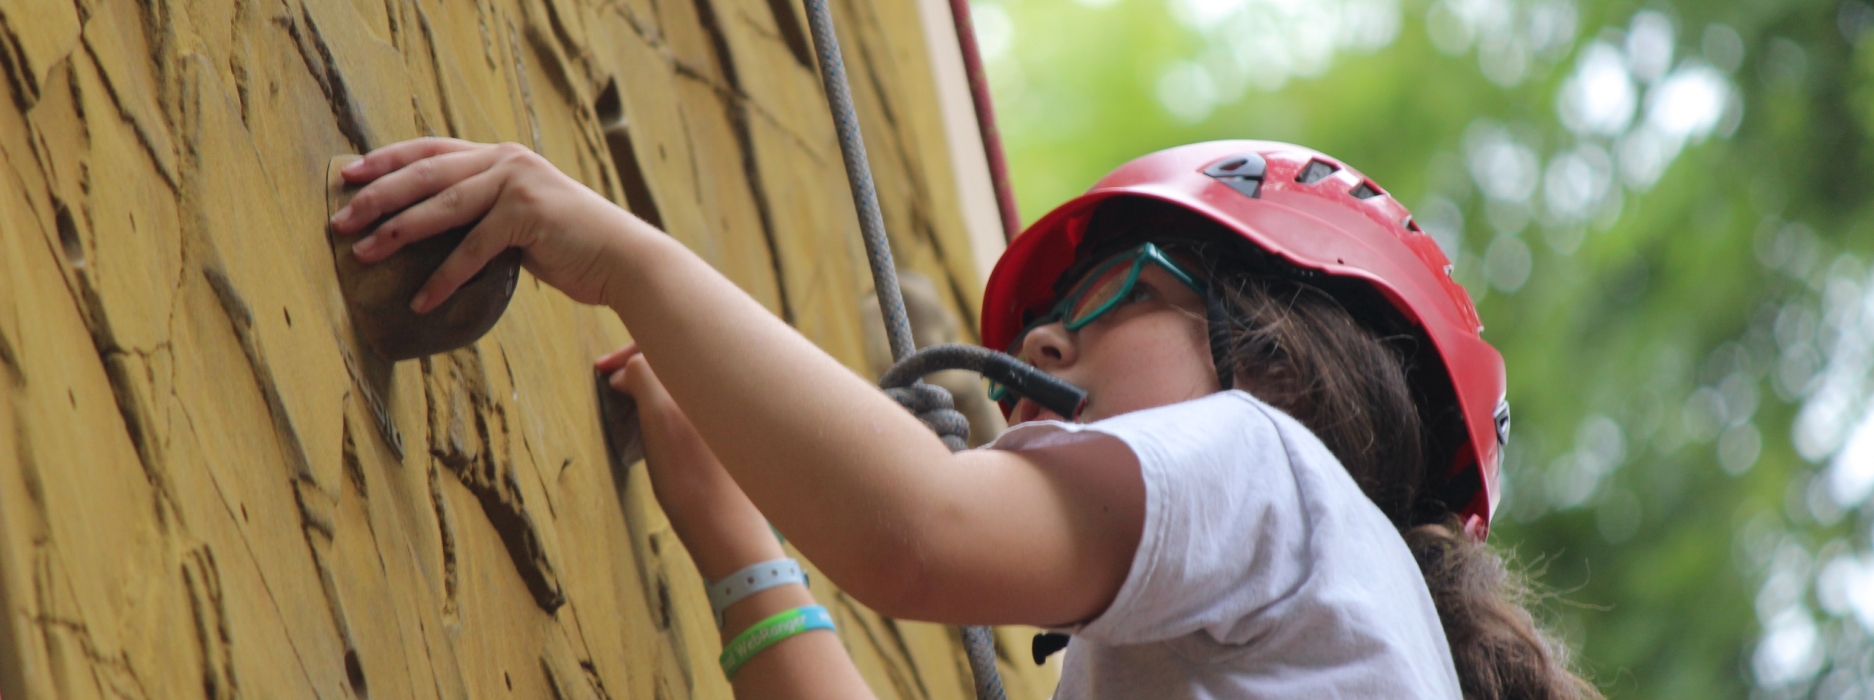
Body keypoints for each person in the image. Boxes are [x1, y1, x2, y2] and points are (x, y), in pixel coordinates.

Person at [331, 138, 1598, 699]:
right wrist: (734, 539)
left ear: (1284, 359)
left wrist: (614, 252)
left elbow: (920, 530)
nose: (1033, 353)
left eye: (1101, 296)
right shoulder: (1261, 644)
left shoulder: (1275, 474)